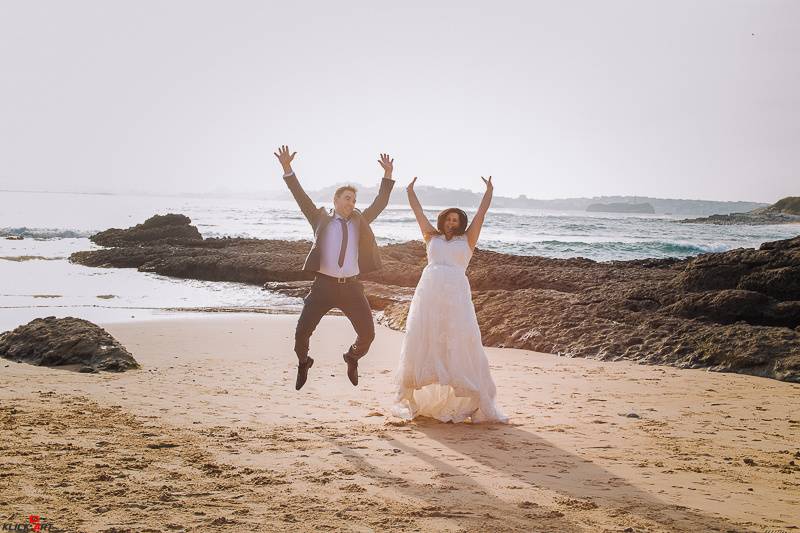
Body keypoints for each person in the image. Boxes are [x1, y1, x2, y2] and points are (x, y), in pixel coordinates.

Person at [274, 145, 395, 390]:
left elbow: (380, 203)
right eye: (347, 198)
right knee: (301, 335)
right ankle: (304, 361)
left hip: (352, 288)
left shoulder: (360, 221)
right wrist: (288, 169)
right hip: (322, 287)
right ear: (336, 200)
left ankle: (352, 357)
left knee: (368, 336)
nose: (352, 203)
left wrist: (388, 175)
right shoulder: (320, 219)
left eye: (354, 199)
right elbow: (300, 196)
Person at [391, 175, 509, 423]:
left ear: (461, 223)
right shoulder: (430, 237)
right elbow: (418, 212)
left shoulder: (468, 240)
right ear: (443, 220)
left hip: (456, 295)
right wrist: (410, 192)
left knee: (459, 338)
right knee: (426, 337)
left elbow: (481, 214)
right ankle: (416, 397)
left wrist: (489, 191)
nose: (451, 222)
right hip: (429, 294)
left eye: (456, 220)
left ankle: (470, 396)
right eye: (448, 218)